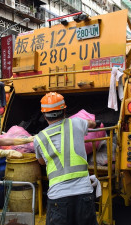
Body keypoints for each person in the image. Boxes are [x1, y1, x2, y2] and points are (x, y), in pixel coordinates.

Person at [33, 92, 98, 225]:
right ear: (64, 111)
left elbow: (41, 162)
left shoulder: (39, 138)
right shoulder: (77, 123)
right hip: (83, 193)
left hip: (58, 197)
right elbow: (92, 124)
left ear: (44, 115)